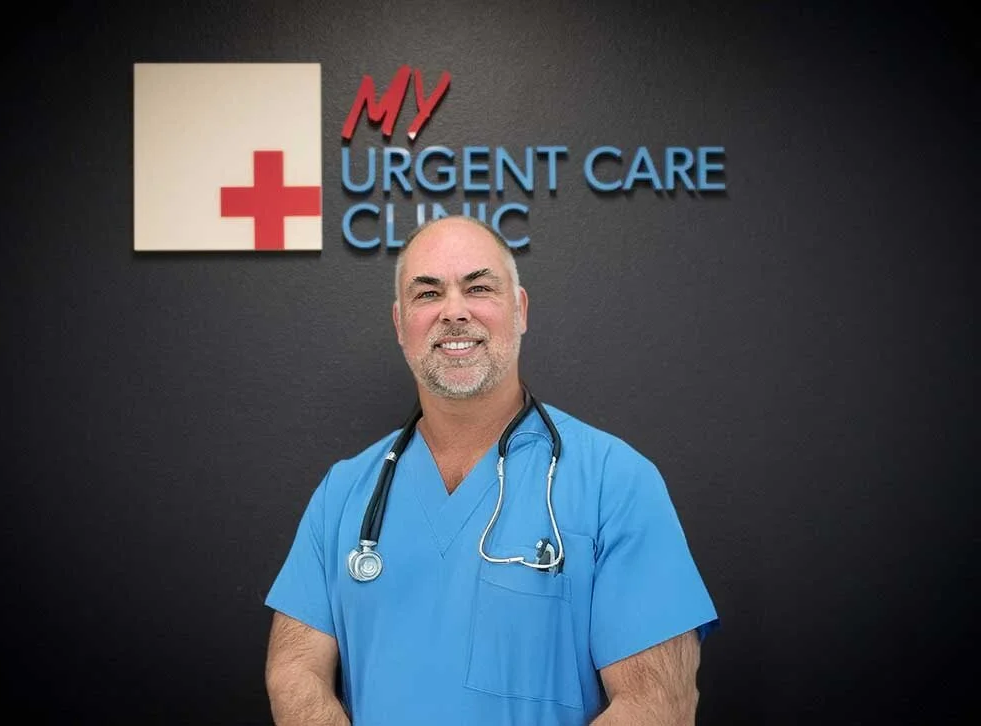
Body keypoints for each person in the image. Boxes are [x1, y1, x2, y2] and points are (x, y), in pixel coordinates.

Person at [264, 215, 719, 725]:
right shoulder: (344, 492)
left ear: (520, 310)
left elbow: (658, 704)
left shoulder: (616, 481)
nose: (453, 312)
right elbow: (294, 671)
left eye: (478, 287)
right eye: (428, 294)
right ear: (400, 324)